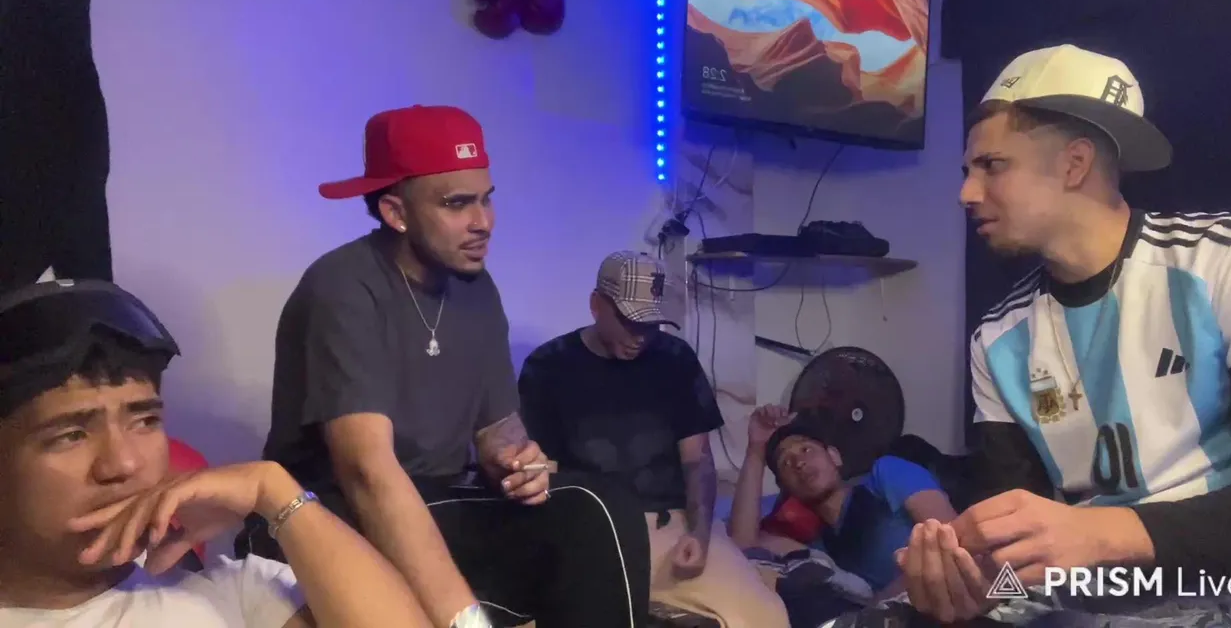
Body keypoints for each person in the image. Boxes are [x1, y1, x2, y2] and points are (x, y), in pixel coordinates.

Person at [888, 45, 1231, 626]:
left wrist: (1099, 533)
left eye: (991, 165)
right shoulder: (997, 337)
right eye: (968, 172)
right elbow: (1013, 545)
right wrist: (971, 587)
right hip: (1080, 599)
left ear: (1074, 164)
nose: (966, 193)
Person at [242, 105, 649, 628]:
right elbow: (366, 473)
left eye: (486, 199)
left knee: (598, 504)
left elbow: (498, 432)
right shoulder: (344, 286)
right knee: (586, 511)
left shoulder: (477, 290)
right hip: (323, 511)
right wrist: (465, 621)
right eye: (457, 204)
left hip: (437, 499)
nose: (484, 223)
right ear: (396, 212)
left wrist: (517, 462)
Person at [0, 279, 430, 628]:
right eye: (71, 435)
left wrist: (273, 491)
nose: (124, 464)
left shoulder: (231, 594)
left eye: (145, 421)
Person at [517, 251, 789, 628]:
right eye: (630, 323)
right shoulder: (549, 366)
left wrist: (699, 533)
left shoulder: (675, 359)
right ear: (596, 305)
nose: (640, 337)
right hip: (590, 531)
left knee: (765, 616)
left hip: (670, 529)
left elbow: (697, 459)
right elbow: (542, 474)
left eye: (650, 324)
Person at [728, 406, 958, 608]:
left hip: (951, 598)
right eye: (785, 463)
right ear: (786, 489)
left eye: (806, 449)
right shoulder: (818, 551)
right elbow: (743, 544)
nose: (799, 463)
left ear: (834, 456)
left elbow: (954, 538)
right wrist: (756, 448)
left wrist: (877, 605)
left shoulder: (886, 474)